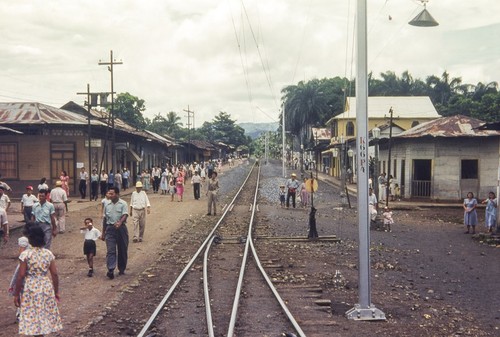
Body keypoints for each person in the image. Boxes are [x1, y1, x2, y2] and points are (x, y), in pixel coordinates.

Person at [13, 225, 63, 336]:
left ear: (29, 239)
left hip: (31, 286)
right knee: (43, 312)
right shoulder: (48, 254)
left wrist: (16, 294)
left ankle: (37, 334)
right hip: (45, 285)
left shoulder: (25, 254)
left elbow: (21, 275)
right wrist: (56, 291)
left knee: (33, 313)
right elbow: (54, 274)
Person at [102, 187, 128, 279]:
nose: (110, 195)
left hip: (121, 229)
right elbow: (105, 219)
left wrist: (120, 222)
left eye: (112, 194)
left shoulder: (123, 204)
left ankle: (121, 269)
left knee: (122, 250)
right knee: (111, 250)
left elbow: (125, 215)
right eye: (109, 193)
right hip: (110, 229)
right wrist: (103, 232)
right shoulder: (107, 205)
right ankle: (111, 269)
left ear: (117, 194)